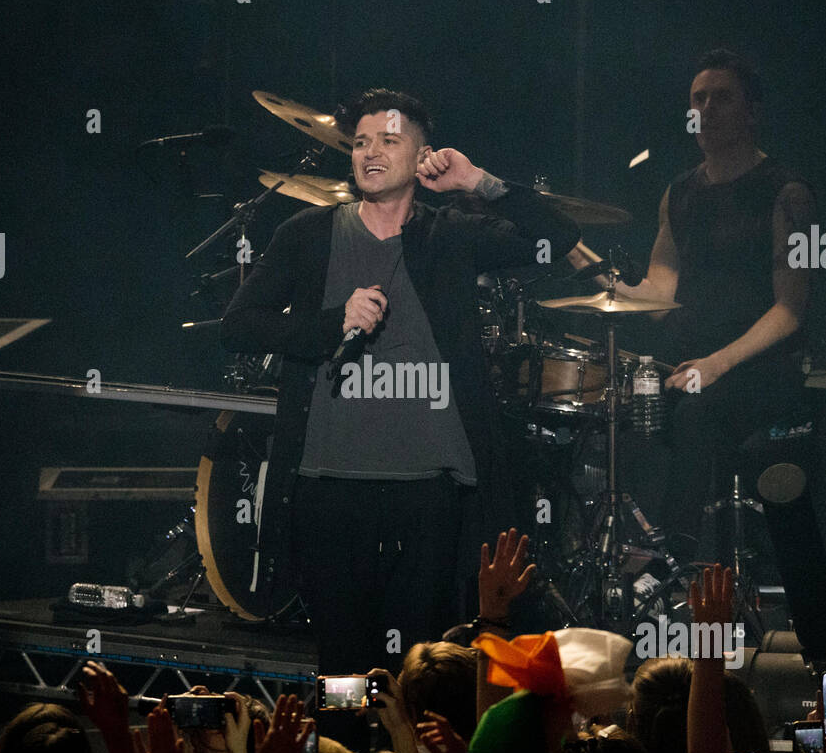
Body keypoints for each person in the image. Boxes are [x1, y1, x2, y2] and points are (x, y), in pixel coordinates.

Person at [221, 88, 580, 679]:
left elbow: (557, 238)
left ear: (423, 157)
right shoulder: (307, 233)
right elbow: (237, 325)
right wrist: (333, 321)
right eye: (361, 142)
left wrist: (479, 181)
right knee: (340, 673)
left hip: (431, 491)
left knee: (423, 671)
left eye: (390, 141)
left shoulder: (453, 234)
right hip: (329, 485)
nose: (371, 153)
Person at [570, 49, 826, 665]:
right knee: (642, 409)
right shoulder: (680, 193)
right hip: (696, 374)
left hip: (765, 375)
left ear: (753, 111)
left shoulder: (788, 192)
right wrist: (572, 248)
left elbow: (790, 310)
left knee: (715, 433)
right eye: (698, 98)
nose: (706, 108)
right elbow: (655, 294)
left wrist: (716, 364)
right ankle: (669, 611)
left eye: (721, 96)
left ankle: (815, 654)